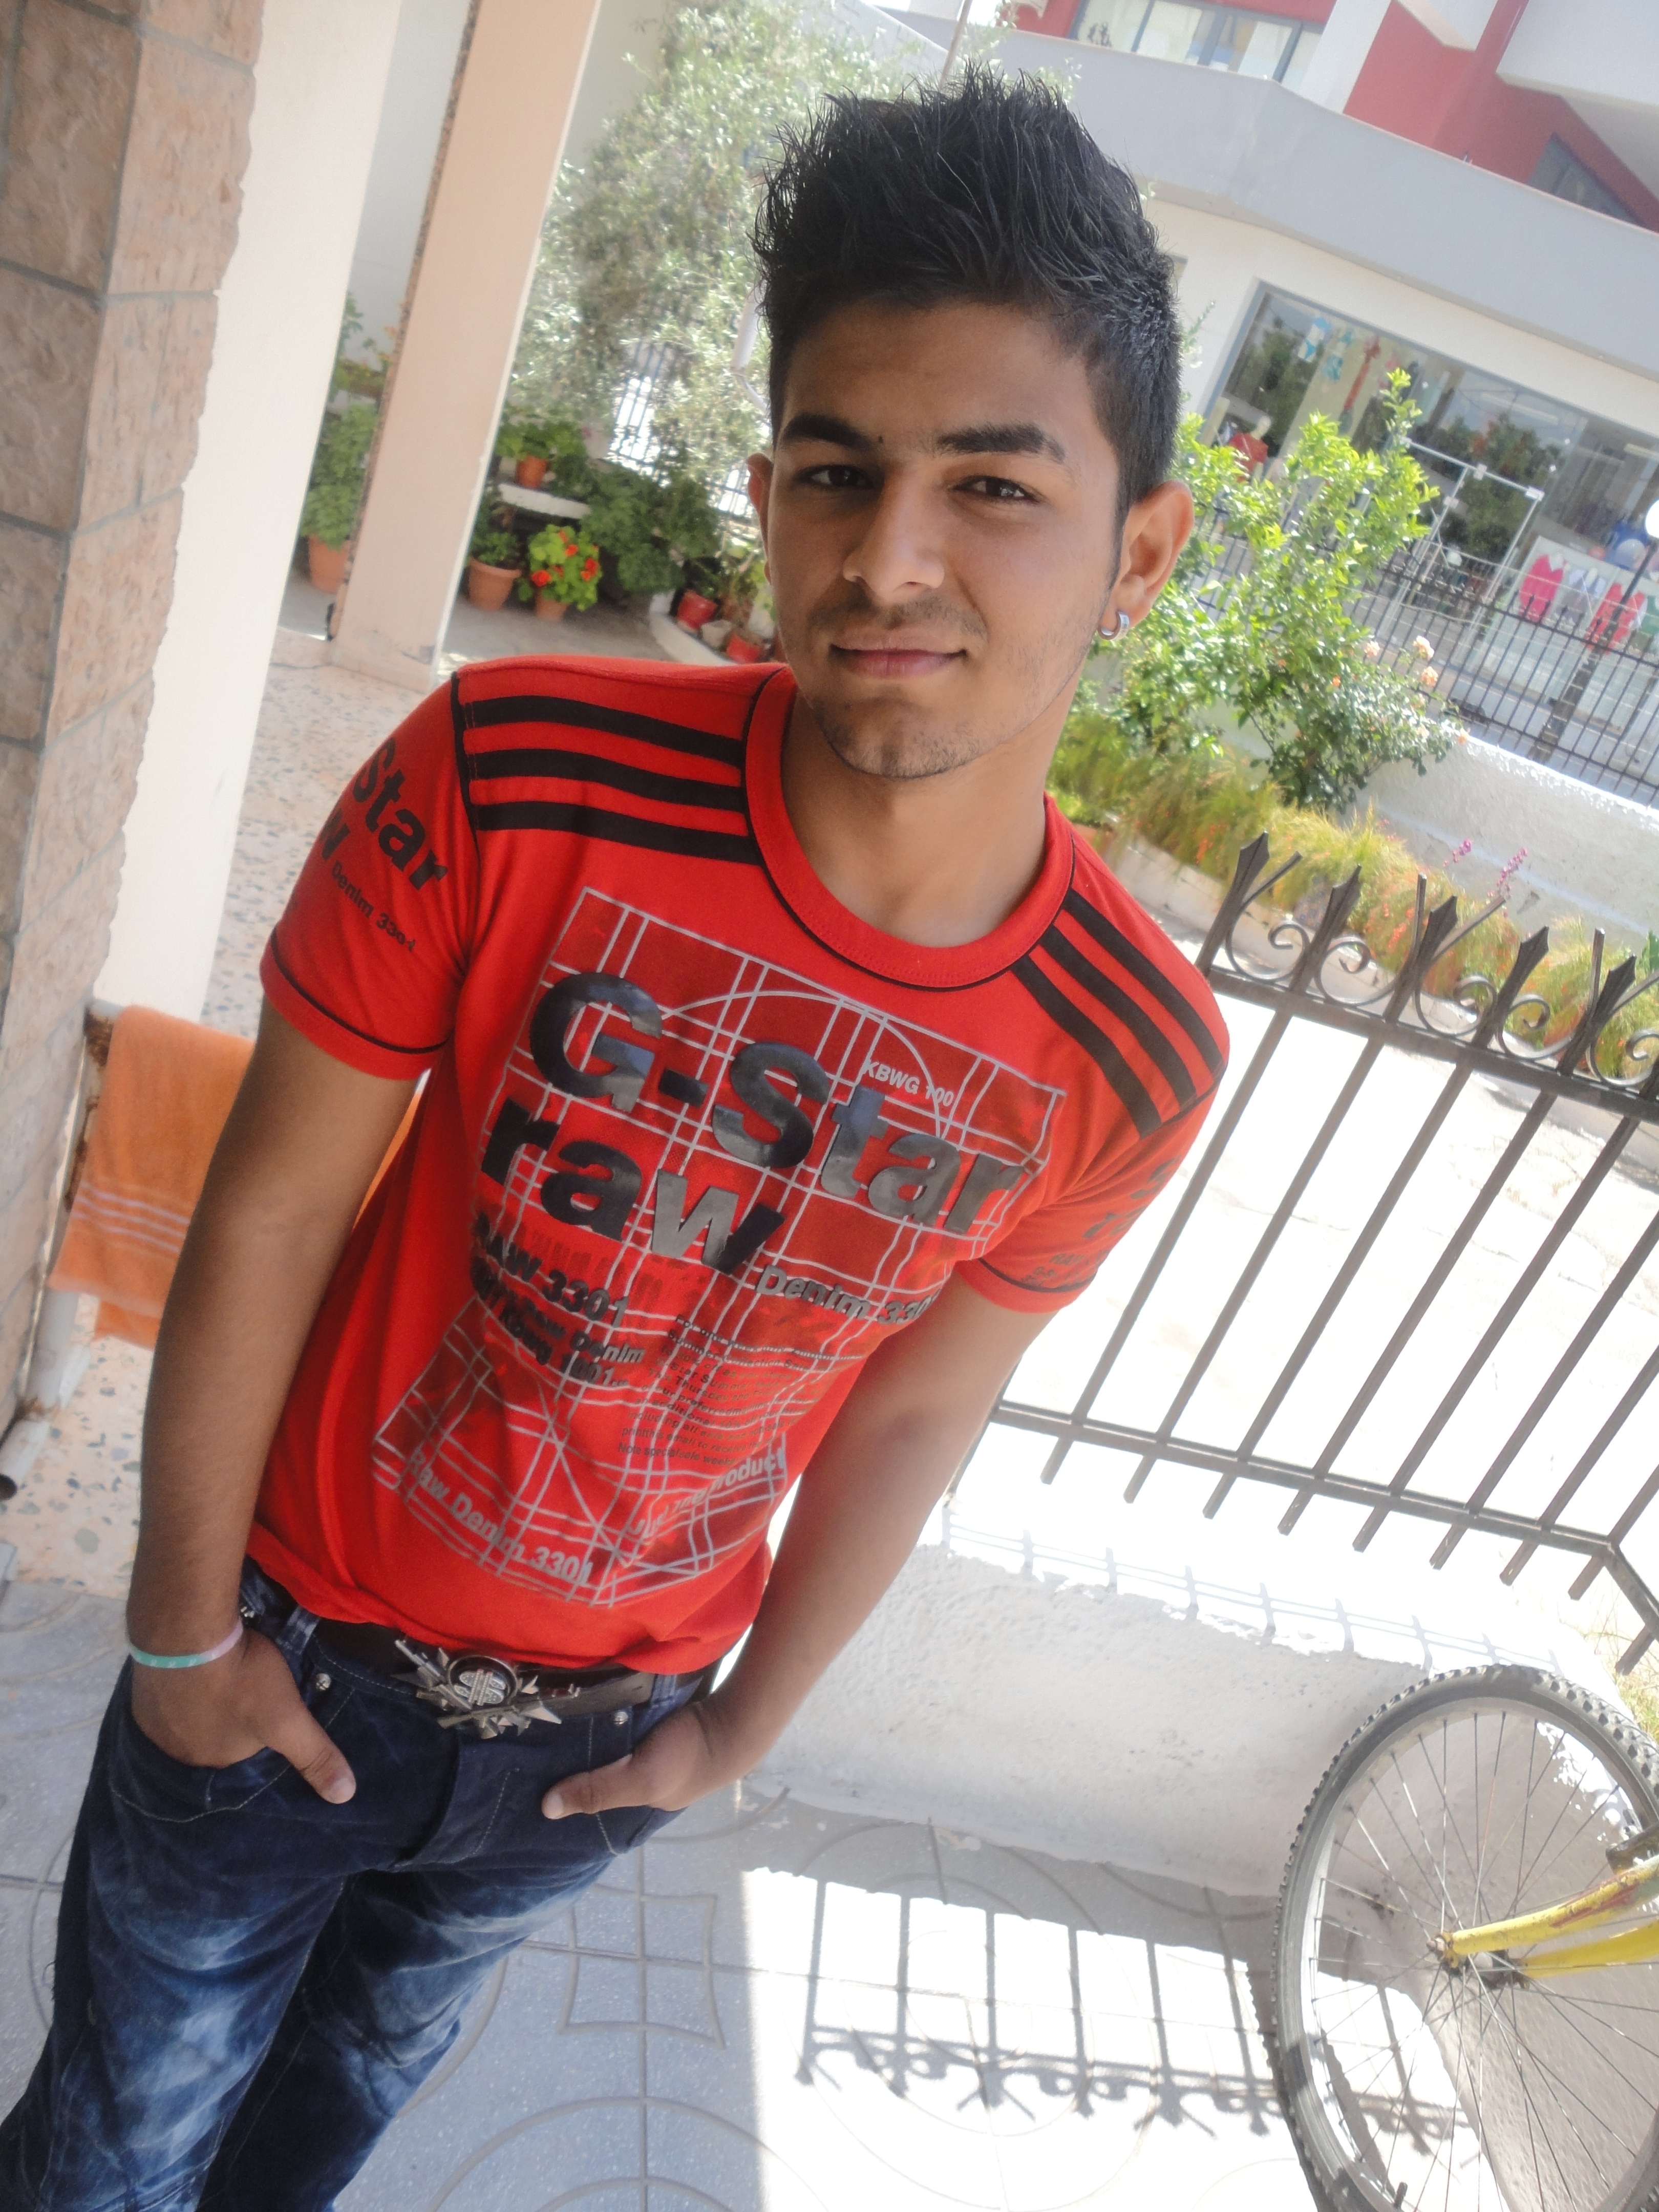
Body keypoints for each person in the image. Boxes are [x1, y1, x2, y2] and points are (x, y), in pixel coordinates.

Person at [0, 67, 1225, 2211]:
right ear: (768, 493)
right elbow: (274, 1208)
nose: (892, 557)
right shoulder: (511, 772)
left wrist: (740, 1729)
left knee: (314, 2146)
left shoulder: (1131, 1050)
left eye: (992, 487)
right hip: (293, 1643)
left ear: (1141, 548)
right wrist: (182, 1639)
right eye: (836, 473)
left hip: (596, 1746)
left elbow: (918, 1406)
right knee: (109, 2161)